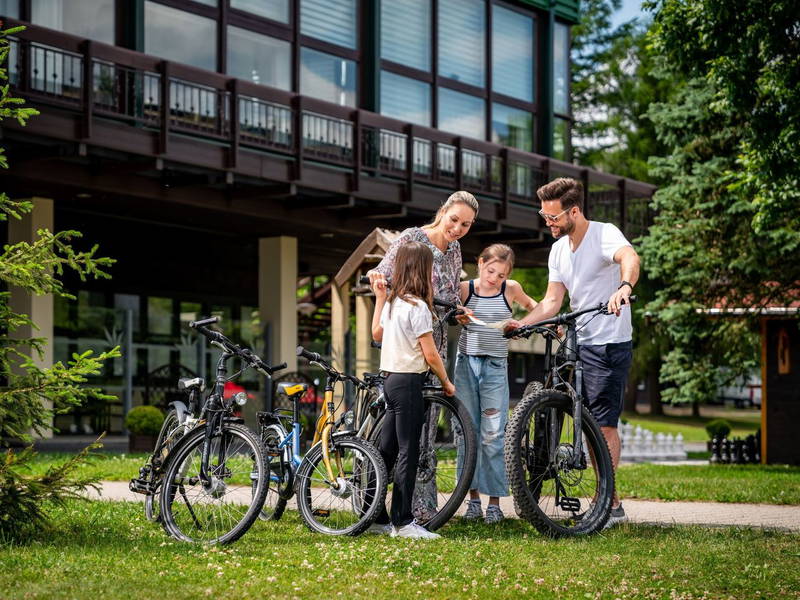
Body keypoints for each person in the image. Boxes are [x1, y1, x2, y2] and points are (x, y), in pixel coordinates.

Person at [506, 177, 640, 528]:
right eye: (544, 216)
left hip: (608, 340)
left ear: (574, 211)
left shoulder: (603, 233)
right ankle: (541, 476)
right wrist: (522, 324)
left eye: (553, 217)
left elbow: (630, 257)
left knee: (602, 423)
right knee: (562, 407)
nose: (548, 223)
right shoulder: (559, 250)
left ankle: (609, 502)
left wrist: (624, 286)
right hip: (577, 340)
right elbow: (552, 301)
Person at [368, 190, 478, 521]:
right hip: (408, 344)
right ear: (443, 212)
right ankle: (392, 510)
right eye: (454, 219)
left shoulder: (456, 249)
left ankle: (421, 506)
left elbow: (449, 296)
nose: (457, 228)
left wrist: (459, 311)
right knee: (405, 433)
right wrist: (376, 281)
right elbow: (385, 275)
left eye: (466, 224)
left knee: (426, 428)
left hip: (435, 340)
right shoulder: (413, 239)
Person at [369, 241, 456, 539]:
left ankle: (375, 515)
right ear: (424, 270)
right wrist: (446, 382)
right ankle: (404, 522)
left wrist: (380, 298)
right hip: (408, 383)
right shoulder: (418, 307)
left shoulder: (394, 303)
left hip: (390, 380)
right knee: (409, 450)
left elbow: (376, 334)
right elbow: (431, 355)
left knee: (386, 451)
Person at [455, 244, 537, 524]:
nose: (494, 278)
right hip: (466, 365)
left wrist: (522, 324)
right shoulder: (465, 289)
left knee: (493, 435)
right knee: (469, 433)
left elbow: (534, 307)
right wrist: (459, 317)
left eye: (501, 275)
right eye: (491, 271)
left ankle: (494, 504)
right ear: (480, 264)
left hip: (495, 367)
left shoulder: (510, 289)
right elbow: (451, 315)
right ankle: (472, 501)